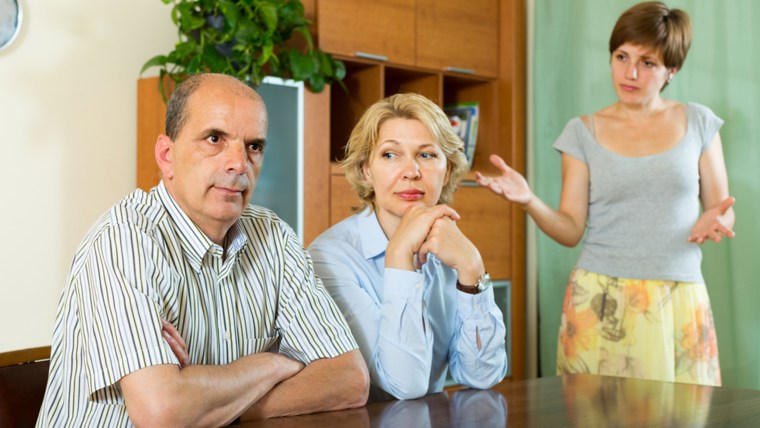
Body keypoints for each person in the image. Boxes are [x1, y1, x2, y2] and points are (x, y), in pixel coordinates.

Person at [36, 73, 369, 427]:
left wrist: (205, 405)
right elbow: (163, 413)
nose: (239, 164)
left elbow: (349, 379)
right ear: (167, 156)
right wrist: (271, 364)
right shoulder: (123, 241)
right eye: (214, 139)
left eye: (253, 146)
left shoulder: (274, 237)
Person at [476, 1, 734, 386]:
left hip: (677, 295)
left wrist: (718, 219)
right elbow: (570, 229)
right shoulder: (582, 132)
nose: (630, 73)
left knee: (682, 416)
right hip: (599, 297)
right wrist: (530, 200)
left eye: (648, 63)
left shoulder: (698, 122)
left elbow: (721, 207)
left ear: (671, 70)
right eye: (621, 56)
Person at [308, 93, 508, 402]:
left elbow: (481, 376)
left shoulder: (450, 248)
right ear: (366, 170)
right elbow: (404, 385)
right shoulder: (329, 258)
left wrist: (472, 269)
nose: (411, 171)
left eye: (427, 155)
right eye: (390, 155)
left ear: (449, 169)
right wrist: (400, 257)